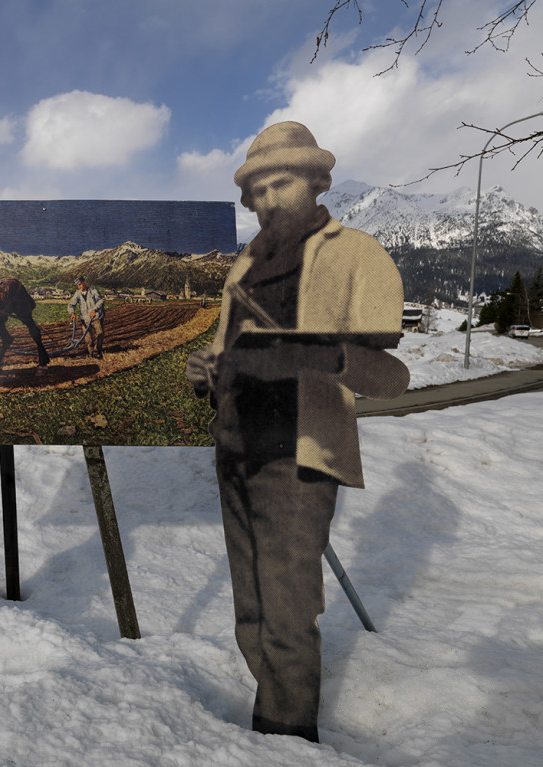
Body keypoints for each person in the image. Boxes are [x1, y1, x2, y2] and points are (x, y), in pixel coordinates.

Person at [186, 122, 409, 742]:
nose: (264, 201)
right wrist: (206, 372)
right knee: (251, 613)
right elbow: (223, 353)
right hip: (235, 451)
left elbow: (391, 375)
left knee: (287, 611)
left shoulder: (357, 255)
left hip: (299, 458)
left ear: (315, 181)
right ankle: (274, 721)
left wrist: (319, 355)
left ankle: (286, 738)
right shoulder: (244, 266)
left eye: (277, 184)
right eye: (254, 191)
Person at [67, 275, 105, 358]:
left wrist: (94, 310)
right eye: (78, 285)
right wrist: (72, 313)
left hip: (96, 317)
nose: (80, 286)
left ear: (85, 283)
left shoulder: (93, 290)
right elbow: (71, 304)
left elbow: (100, 301)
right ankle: (91, 354)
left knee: (100, 333)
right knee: (88, 339)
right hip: (85, 318)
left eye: (81, 284)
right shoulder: (77, 294)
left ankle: (97, 350)